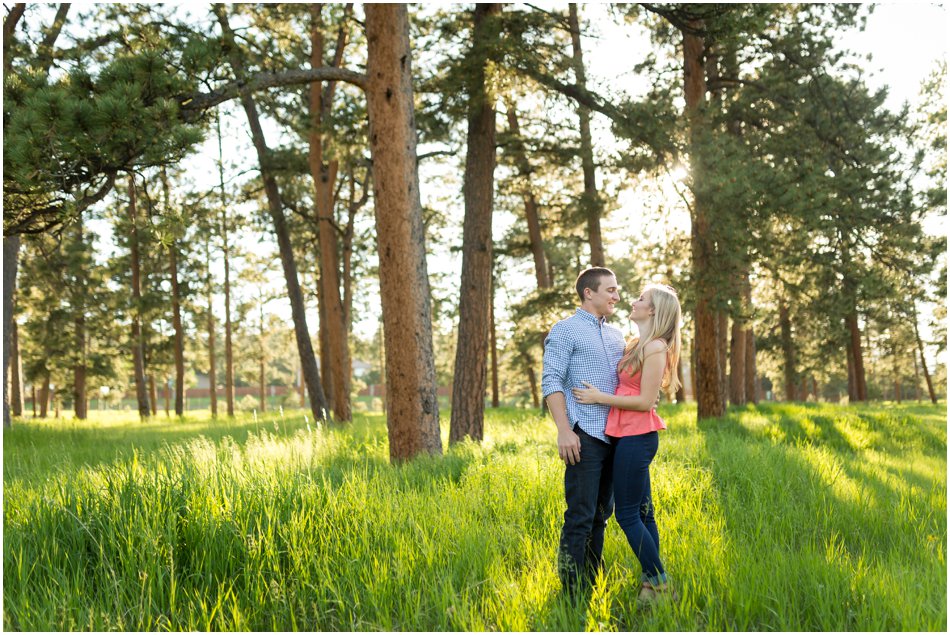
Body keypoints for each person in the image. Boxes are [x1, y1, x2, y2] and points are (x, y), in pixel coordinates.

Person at [572, 283, 682, 603]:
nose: (632, 302)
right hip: (624, 435)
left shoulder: (656, 347)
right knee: (645, 514)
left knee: (628, 515)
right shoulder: (636, 343)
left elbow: (646, 401)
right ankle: (651, 585)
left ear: (653, 311)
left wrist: (597, 397)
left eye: (641, 299)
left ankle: (662, 584)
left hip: (638, 437)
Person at [542, 267, 626, 598]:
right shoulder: (565, 331)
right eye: (610, 290)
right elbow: (551, 381)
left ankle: (592, 584)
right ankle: (571, 595)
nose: (616, 296)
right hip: (584, 435)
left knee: (602, 516)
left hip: (615, 437)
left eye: (617, 290)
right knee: (580, 516)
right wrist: (564, 430)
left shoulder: (617, 335)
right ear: (589, 293)